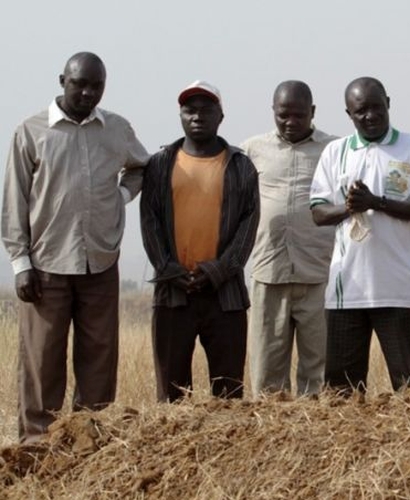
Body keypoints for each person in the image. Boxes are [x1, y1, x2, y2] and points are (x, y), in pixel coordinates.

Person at [1, 52, 149, 442]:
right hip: (46, 265)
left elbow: (141, 167)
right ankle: (37, 446)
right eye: (78, 83)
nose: (87, 92)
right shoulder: (31, 132)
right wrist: (20, 263)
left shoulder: (116, 128)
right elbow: (14, 200)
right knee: (42, 361)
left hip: (100, 262)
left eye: (95, 86)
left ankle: (91, 444)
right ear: (61, 80)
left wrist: (120, 194)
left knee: (99, 359)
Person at [310, 77, 410, 393]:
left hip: (399, 290)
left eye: (376, 107)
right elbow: (317, 211)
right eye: (360, 111)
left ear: (388, 104)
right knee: (342, 393)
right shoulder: (335, 152)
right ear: (348, 114)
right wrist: (349, 208)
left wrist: (377, 203)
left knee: (409, 389)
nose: (370, 116)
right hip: (347, 292)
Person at [140, 80, 259, 402]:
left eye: (206, 110)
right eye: (189, 110)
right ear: (180, 115)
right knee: (171, 396)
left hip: (225, 296)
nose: (197, 116)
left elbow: (248, 228)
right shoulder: (160, 164)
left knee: (228, 394)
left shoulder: (241, 165)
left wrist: (218, 271)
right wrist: (169, 270)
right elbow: (149, 223)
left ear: (221, 116)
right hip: (172, 295)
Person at [241, 81, 337, 397]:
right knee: (266, 376)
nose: (290, 122)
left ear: (312, 112)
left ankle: (317, 438)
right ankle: (271, 437)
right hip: (269, 273)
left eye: (299, 115)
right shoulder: (251, 150)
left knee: (319, 375)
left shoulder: (334, 149)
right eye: (283, 115)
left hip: (319, 274)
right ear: (273, 111)